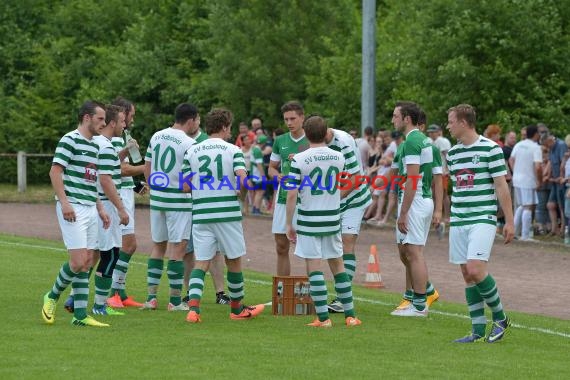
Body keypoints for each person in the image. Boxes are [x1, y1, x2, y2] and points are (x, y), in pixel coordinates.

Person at [183, 108, 265, 323]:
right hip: (227, 212)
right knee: (234, 261)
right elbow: (243, 179)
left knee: (201, 262)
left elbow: (184, 187)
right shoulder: (233, 150)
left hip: (201, 213)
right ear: (225, 126)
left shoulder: (192, 151)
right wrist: (242, 192)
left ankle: (193, 310)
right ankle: (237, 310)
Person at [285, 115, 361, 327]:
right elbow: (356, 178)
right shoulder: (339, 156)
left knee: (314, 267)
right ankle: (351, 316)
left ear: (306, 134)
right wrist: (338, 197)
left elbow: (291, 195)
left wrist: (288, 224)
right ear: (326, 131)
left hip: (310, 219)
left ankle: (323, 318)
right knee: (338, 266)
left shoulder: (299, 159)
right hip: (332, 218)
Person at [446, 104, 514, 343]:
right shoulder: (453, 154)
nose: (448, 126)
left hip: (482, 218)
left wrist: (508, 220)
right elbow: (455, 190)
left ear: (464, 123)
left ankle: (500, 317)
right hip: (459, 219)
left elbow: (501, 186)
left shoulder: (490, 149)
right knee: (467, 274)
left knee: (476, 268)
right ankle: (476, 331)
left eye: (451, 121)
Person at [42, 100, 110, 327]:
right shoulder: (69, 140)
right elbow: (55, 171)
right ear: (87, 117)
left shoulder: (94, 146)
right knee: (78, 260)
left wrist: (100, 208)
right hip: (73, 207)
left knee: (88, 261)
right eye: (100, 118)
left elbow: (89, 180)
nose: (104, 123)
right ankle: (51, 296)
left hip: (90, 207)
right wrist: (65, 203)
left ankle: (80, 316)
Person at [142, 103, 197, 311]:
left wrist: (153, 187)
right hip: (179, 201)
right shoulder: (188, 142)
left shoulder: (157, 136)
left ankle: (151, 298)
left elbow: (147, 166)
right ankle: (174, 301)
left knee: (158, 246)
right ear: (190, 120)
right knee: (178, 247)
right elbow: (190, 175)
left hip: (158, 199)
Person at [388, 102, 438, 317]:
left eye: (395, 116)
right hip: (419, 199)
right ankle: (422, 294)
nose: (393, 120)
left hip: (415, 201)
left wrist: (404, 212)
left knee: (414, 252)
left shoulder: (412, 142)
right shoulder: (422, 140)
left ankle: (419, 306)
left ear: (407, 118)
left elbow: (413, 179)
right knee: (408, 251)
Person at [323, 125, 372, 312]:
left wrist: (335, 199)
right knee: (334, 246)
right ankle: (342, 294)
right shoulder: (316, 139)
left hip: (353, 198)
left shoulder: (343, 142)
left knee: (347, 242)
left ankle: (343, 298)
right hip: (337, 197)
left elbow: (356, 177)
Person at [182, 118, 230, 306]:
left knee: (215, 250)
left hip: (204, 204)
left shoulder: (204, 141)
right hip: (188, 203)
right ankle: (189, 292)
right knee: (188, 249)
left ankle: (220, 292)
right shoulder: (182, 140)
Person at [105, 97, 146, 309]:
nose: (132, 119)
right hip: (117, 198)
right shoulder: (114, 138)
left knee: (126, 245)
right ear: (123, 113)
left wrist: (137, 184)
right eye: (131, 115)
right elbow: (118, 169)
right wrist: (146, 169)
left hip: (125, 194)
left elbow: (124, 170)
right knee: (127, 245)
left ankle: (120, 292)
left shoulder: (123, 136)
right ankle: (113, 292)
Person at [91, 105, 130, 316]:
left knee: (98, 253)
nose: (125, 126)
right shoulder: (105, 146)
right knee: (109, 255)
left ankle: (79, 298)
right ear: (113, 122)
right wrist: (122, 209)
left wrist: (123, 152)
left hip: (101, 204)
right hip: (106, 204)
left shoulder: (99, 143)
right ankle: (99, 306)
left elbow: (108, 169)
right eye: (123, 122)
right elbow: (106, 180)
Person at [268, 101, 309, 275]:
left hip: (306, 199)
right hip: (284, 197)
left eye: (293, 118)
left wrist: (302, 158)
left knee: (309, 249)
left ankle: (313, 294)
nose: (289, 123)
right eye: (286, 119)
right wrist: (276, 175)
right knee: (281, 246)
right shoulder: (280, 140)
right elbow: (271, 167)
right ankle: (282, 292)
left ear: (302, 117)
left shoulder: (312, 139)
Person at [509, 125, 542, 241]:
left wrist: (516, 171)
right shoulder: (536, 147)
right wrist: (539, 180)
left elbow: (511, 160)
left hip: (517, 179)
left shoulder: (518, 144)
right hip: (529, 180)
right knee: (528, 207)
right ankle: (525, 235)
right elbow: (538, 167)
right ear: (535, 134)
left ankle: (513, 232)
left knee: (522, 205)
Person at [543, 133, 568, 237]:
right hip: (554, 181)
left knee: (562, 206)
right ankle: (554, 229)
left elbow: (564, 162)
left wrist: (562, 177)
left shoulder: (561, 145)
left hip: (561, 181)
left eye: (546, 145)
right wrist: (548, 175)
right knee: (550, 205)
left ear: (549, 140)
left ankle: (563, 230)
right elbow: (551, 162)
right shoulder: (552, 147)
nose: (546, 147)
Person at [426, 124, 452, 224]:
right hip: (433, 172)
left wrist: (448, 170)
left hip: (442, 172)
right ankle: (435, 216)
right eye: (430, 132)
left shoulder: (442, 141)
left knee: (444, 194)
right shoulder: (430, 141)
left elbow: (447, 156)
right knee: (433, 194)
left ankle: (447, 217)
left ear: (438, 132)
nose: (431, 133)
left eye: (433, 131)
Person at [250, 134, 267, 215]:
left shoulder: (254, 149)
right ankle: (256, 209)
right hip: (258, 175)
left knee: (258, 191)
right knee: (260, 191)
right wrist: (263, 176)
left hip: (254, 174)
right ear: (264, 143)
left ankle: (255, 208)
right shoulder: (258, 151)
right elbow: (259, 165)